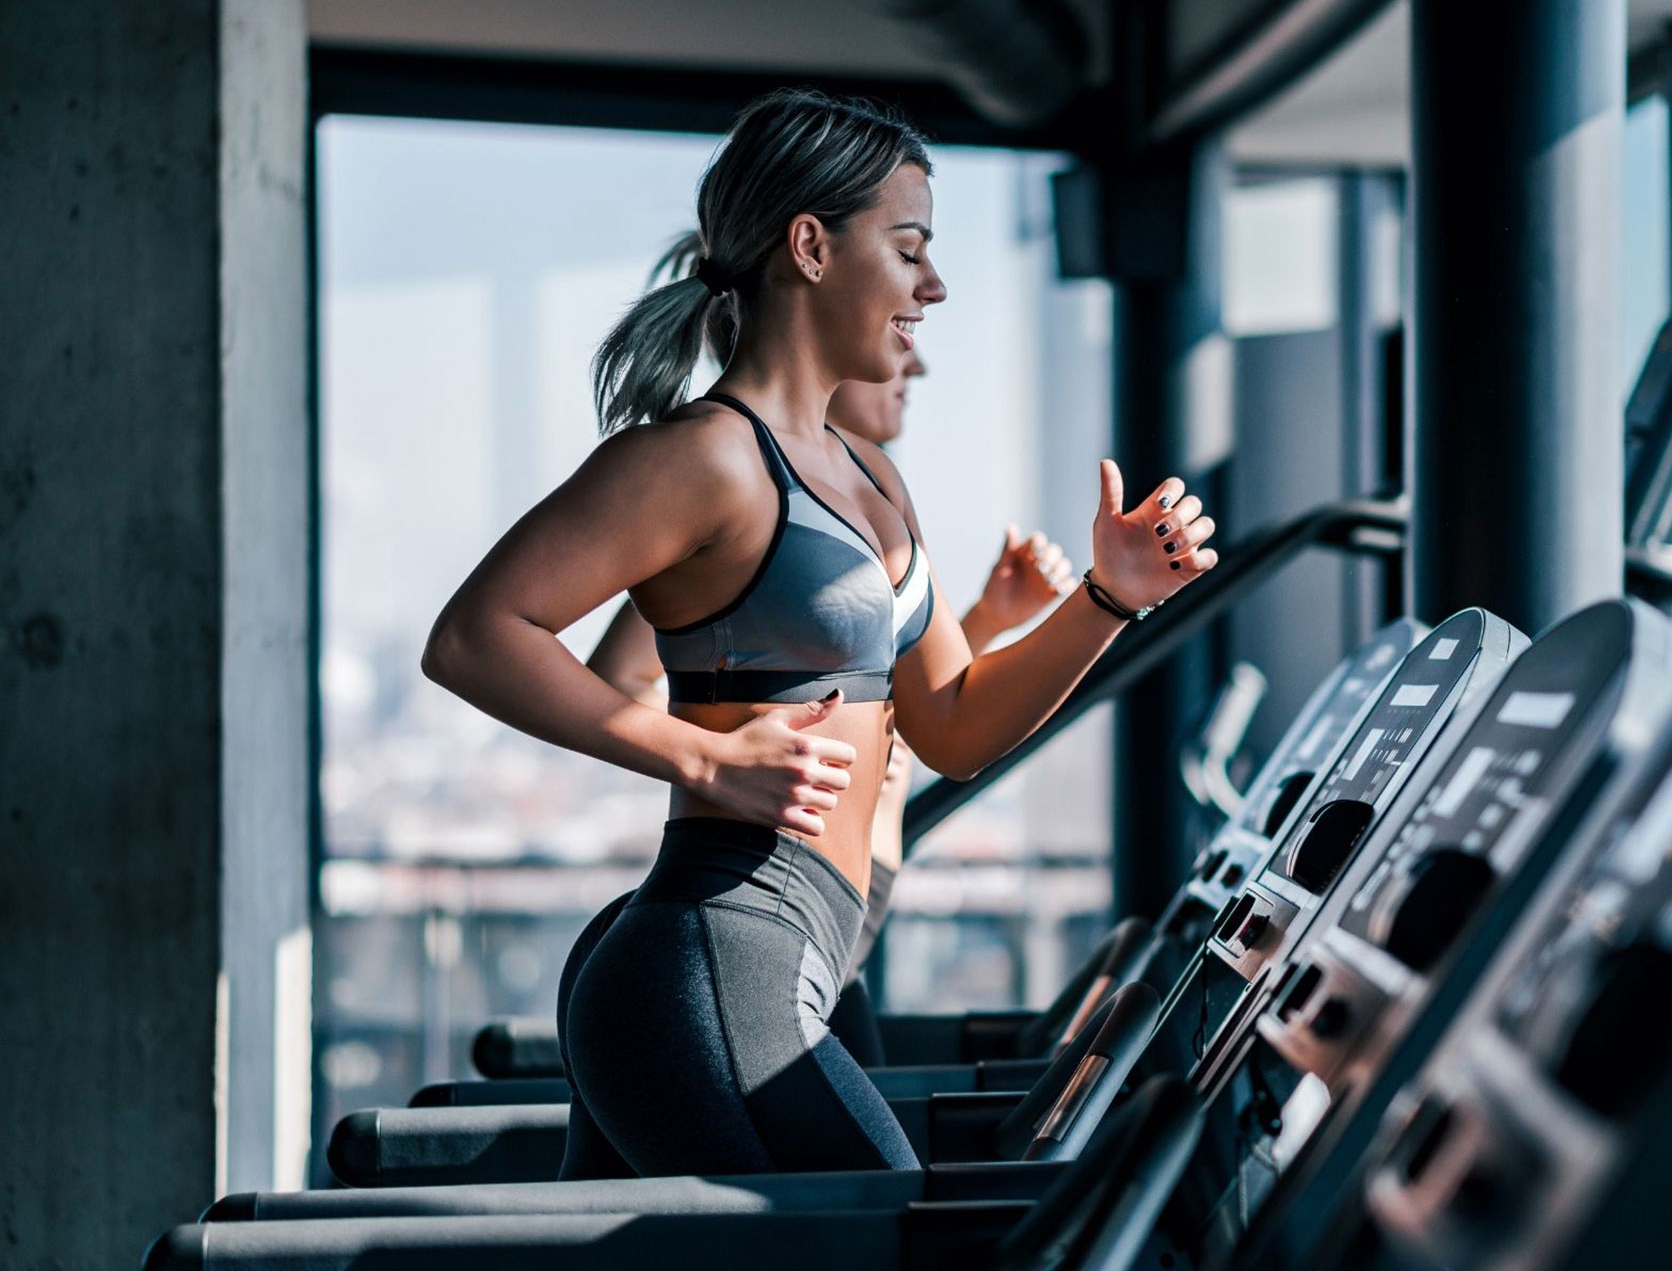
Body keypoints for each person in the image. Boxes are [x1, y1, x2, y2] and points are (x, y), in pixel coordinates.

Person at [422, 89, 1216, 1178]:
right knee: (895, 1226)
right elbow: (475, 636)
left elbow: (954, 725)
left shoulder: (875, 477)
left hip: (796, 958)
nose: (932, 286)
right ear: (810, 245)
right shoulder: (704, 457)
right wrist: (700, 751)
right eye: (907, 248)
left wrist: (1109, 599)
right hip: (714, 951)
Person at [583, 346, 1077, 1021]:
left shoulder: (869, 492)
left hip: (841, 909)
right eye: (903, 349)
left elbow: (916, 704)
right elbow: (626, 672)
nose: (918, 369)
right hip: (760, 904)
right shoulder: (742, 506)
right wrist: (717, 758)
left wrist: (990, 618)